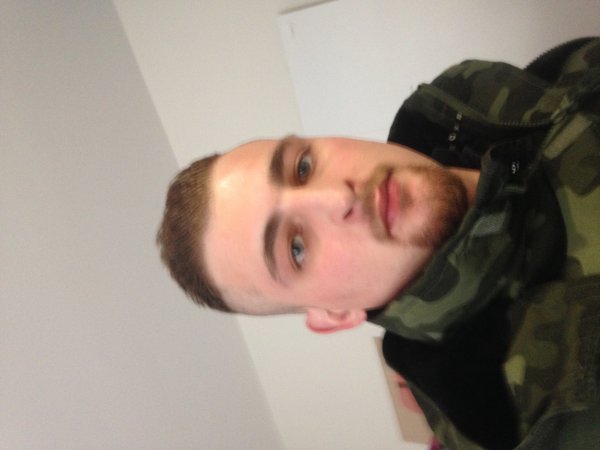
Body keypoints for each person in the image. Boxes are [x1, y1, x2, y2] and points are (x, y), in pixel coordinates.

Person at [157, 38, 600, 449]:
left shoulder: (479, 102)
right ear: (335, 315)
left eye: (303, 167)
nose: (339, 196)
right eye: (296, 249)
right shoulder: (537, 421)